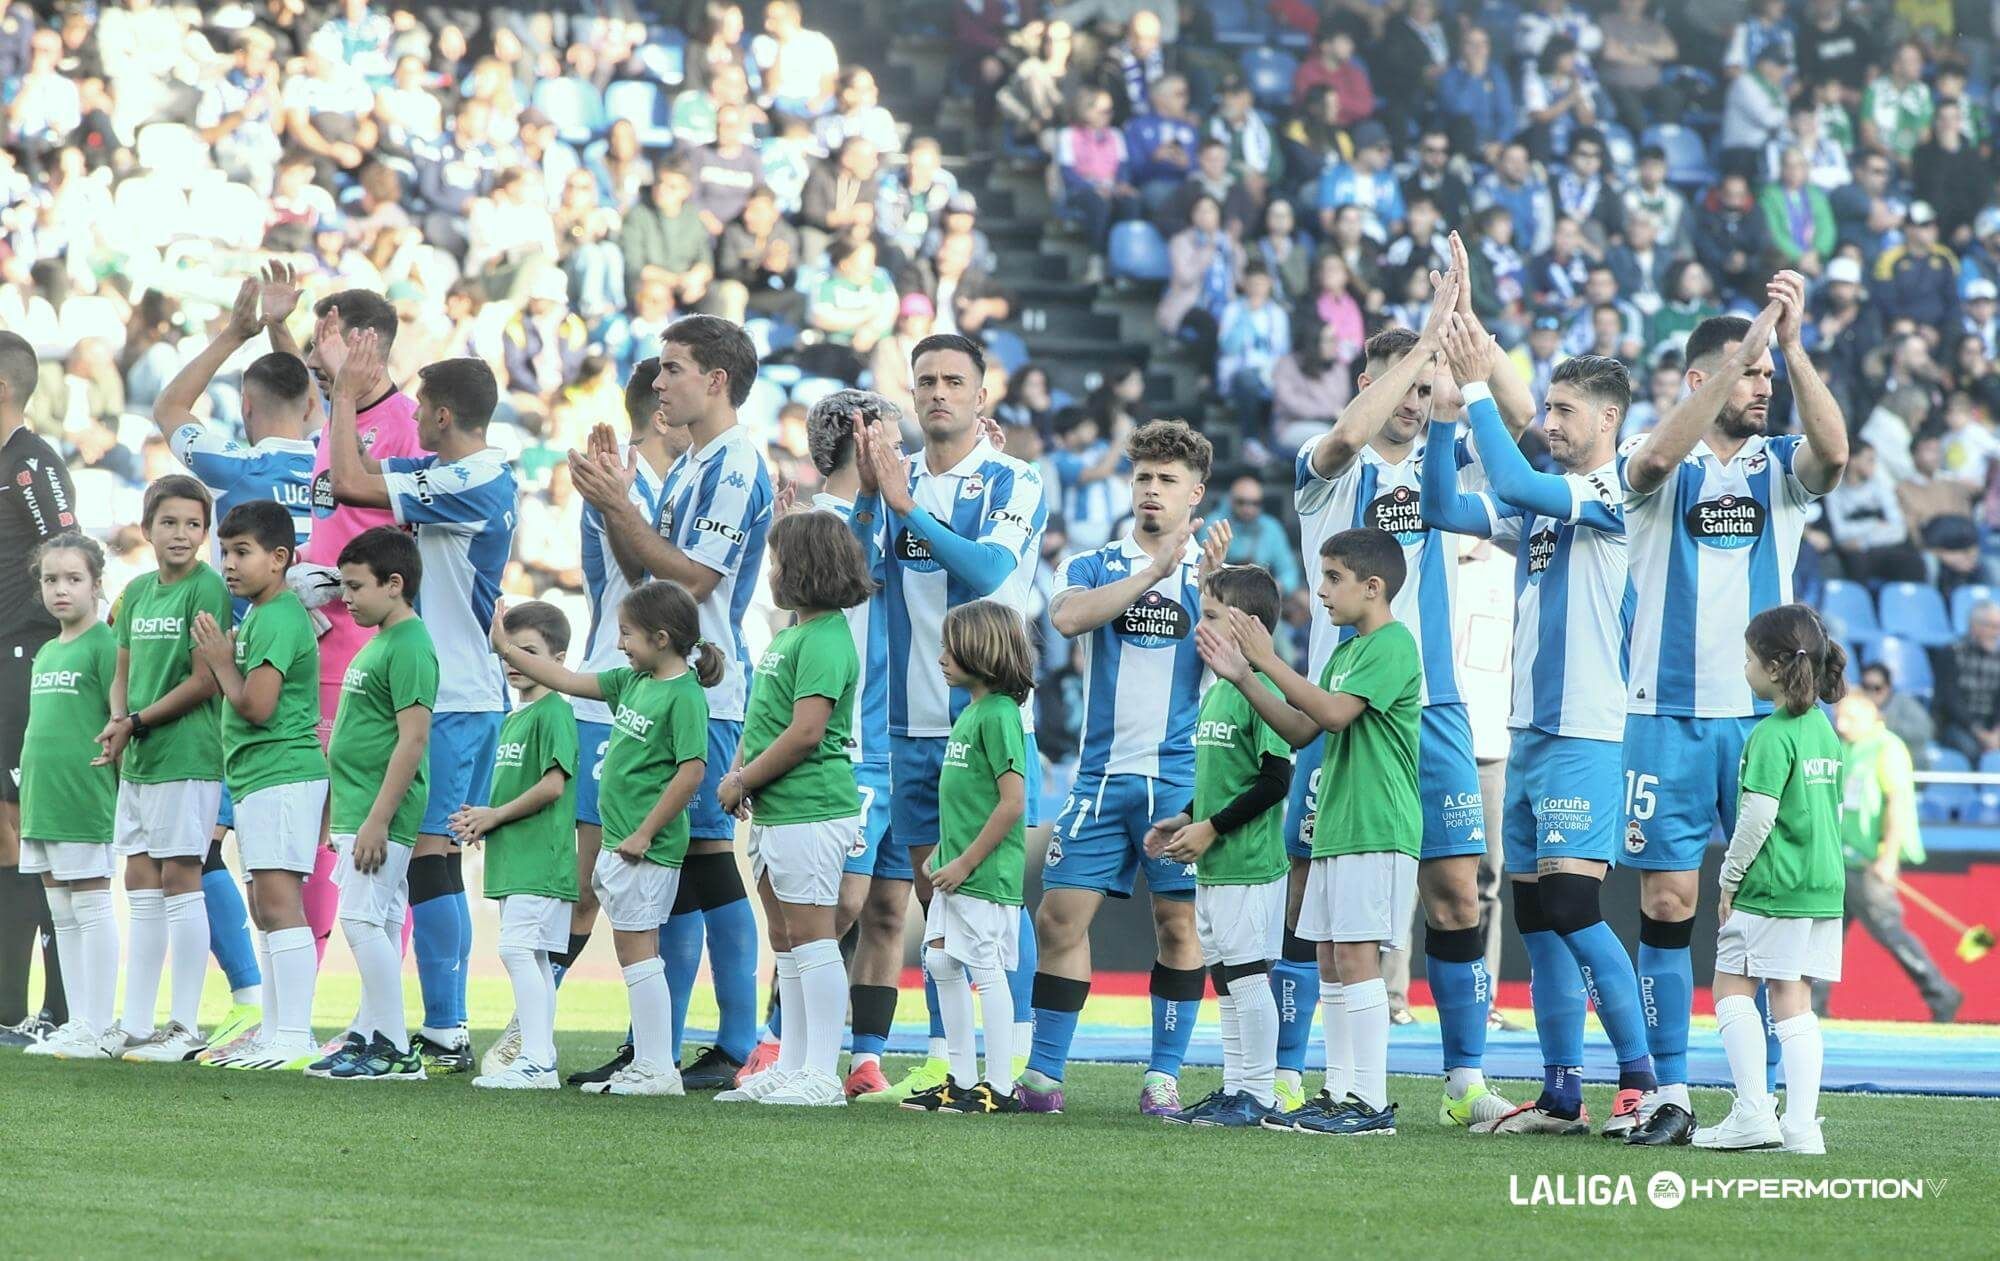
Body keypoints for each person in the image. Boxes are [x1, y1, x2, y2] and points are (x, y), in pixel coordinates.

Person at [1279, 243, 1532, 1119]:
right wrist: (1425, 340)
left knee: (1457, 889)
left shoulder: (1448, 469)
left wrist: (1468, 344)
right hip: (1338, 710)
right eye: (1406, 382)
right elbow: (1351, 431)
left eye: (1426, 386)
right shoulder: (1327, 466)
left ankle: (1464, 1079)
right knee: (1311, 890)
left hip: (1437, 710)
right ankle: (1288, 1069)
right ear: (1369, 380)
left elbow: (1531, 429)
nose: (1418, 400)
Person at [1620, 277, 1848, 1147]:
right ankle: (1671, 1092)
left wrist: (1788, 345)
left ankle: (1782, 1112)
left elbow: (1835, 455)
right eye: (1746, 375)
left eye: (1765, 379)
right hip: (1665, 715)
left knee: (1771, 924)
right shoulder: (1654, 454)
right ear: (1700, 380)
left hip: (1764, 728)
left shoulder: (1776, 468)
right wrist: (1740, 349)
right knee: (1671, 902)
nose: (1762, 388)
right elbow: (1646, 468)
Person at [1419, 341, 1661, 1135]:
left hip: (1587, 728)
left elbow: (1516, 479)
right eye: (1547, 406)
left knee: (1572, 902)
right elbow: (1445, 509)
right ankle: (1562, 1094)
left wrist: (1481, 386)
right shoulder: (1548, 502)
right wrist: (1438, 423)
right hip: (1528, 729)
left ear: (1608, 419)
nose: (1549, 421)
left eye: (1563, 410)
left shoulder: (1611, 485)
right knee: (1535, 919)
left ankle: (1641, 1082)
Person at [565, 315, 773, 1089]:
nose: (658, 382)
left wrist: (620, 505)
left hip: (709, 696)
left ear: (715, 380)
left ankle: (736, 1042)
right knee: (682, 865)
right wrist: (617, 503)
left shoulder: (735, 464)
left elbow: (690, 584)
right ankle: (657, 1040)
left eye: (673, 367)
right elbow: (646, 577)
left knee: (711, 861)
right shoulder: (692, 464)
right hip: (671, 687)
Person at [843, 333, 1047, 1103]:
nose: (936, 392)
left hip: (987, 719)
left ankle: (1014, 1061)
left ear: (980, 395)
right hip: (907, 721)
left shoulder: (1012, 479)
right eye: (925, 379)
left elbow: (992, 572)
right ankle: (947, 1059)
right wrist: (872, 496)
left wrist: (905, 508)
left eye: (953, 380)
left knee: (992, 901)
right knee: (939, 900)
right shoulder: (898, 480)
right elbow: (857, 575)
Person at [326, 332, 519, 1074]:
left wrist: (347, 394)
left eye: (420, 404)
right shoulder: (451, 469)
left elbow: (349, 479)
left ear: (441, 414)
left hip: (458, 694)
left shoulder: (479, 478)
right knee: (432, 862)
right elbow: (361, 467)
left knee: (431, 859)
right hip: (462, 691)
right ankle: (432, 1022)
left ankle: (442, 1026)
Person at [1025, 418, 1215, 1116]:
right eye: (1143, 478)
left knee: (1178, 925)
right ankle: (1044, 1075)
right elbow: (1070, 621)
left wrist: (1203, 586)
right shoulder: (1094, 562)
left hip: (1179, 780)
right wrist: (1152, 574)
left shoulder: (1212, 573)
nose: (1152, 491)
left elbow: (1236, 654)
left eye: (1167, 480)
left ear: (1195, 492)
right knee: (1058, 917)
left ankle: (1163, 1075)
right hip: (1101, 779)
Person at [491, 581, 722, 1096]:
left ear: (661, 638)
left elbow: (691, 772)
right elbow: (567, 679)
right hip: (624, 842)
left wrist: (644, 832)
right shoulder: (633, 681)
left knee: (640, 953)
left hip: (644, 846)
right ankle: (650, 1063)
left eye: (627, 634)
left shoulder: (683, 695)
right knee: (635, 952)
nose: (620, 644)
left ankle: (657, 1068)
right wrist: (506, 649)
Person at [1227, 527, 1418, 1137]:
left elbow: (1333, 714)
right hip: (1339, 824)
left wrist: (1267, 659)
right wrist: (1244, 678)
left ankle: (1369, 1101)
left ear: (1373, 585)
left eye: (1333, 578)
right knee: (1333, 960)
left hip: (1377, 823)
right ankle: (1338, 1092)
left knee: (1356, 956)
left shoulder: (1393, 644)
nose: (1323, 590)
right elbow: (1302, 729)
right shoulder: (1343, 651)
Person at [711, 511, 870, 1108]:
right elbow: (768, 721)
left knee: (812, 937)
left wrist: (741, 778)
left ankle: (820, 1074)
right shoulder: (792, 635)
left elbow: (806, 732)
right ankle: (794, 1063)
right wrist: (744, 775)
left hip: (811, 806)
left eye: (779, 560)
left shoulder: (828, 638)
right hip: (778, 808)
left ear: (804, 568)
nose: (772, 571)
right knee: (786, 938)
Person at [295, 288, 422, 965]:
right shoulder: (331, 419)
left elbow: (398, 543)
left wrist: (343, 583)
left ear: (367, 344)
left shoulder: (406, 424)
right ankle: (298, 996)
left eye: (328, 342)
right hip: (316, 646)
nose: (317, 357)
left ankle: (386, 1006)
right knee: (313, 820)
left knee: (367, 825)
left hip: (369, 653)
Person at [1693, 605, 1846, 1156]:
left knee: (1732, 985)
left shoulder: (1770, 734)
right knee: (1794, 999)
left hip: (1773, 886)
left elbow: (1756, 817)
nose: (1746, 668)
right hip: (1822, 886)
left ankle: (1754, 1112)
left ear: (1777, 668)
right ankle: (1803, 1127)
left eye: (1750, 659)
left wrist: (1729, 878)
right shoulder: (1824, 731)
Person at [1151, 564, 1295, 1126]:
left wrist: (1212, 828)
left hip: (1250, 864)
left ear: (1246, 624)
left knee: (1248, 976)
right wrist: (1185, 818)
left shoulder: (1264, 689)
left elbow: (1274, 780)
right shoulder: (1217, 691)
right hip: (1216, 863)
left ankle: (1258, 1093)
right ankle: (1237, 1087)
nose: (1198, 628)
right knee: (1227, 979)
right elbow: (1221, 782)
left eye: (1210, 616)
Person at [96, 475, 231, 1064]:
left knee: (182, 876)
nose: (181, 534)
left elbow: (205, 681)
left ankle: (184, 1024)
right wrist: (118, 721)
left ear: (206, 532)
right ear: (147, 527)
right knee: (139, 880)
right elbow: (121, 669)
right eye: (169, 522)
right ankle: (136, 1021)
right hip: (142, 758)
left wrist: (137, 722)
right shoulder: (139, 592)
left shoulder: (207, 590)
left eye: (193, 524)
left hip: (187, 755)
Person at [194, 500, 330, 1072]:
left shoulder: (276, 616)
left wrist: (222, 663)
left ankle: (294, 1036)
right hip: (260, 776)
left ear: (280, 559)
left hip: (282, 773)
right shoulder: (262, 615)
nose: (229, 563)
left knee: (278, 902)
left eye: (242, 552)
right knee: (264, 906)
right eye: (225, 551)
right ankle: (275, 1031)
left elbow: (256, 705)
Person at [897, 601, 1035, 1115]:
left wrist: (965, 862)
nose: (942, 656)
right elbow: (968, 799)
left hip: (981, 876)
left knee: (985, 968)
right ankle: (961, 1079)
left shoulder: (999, 715)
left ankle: (998, 1087)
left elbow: (1012, 803)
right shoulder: (971, 713)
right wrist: (941, 853)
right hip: (956, 871)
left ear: (983, 650)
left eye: (950, 646)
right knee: (937, 960)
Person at [307, 526, 434, 1082]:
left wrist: (379, 820)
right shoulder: (381, 640)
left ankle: (393, 1046)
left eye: (356, 587)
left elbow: (413, 738)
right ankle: (368, 1035)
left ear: (395, 584)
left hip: (380, 817)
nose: (347, 597)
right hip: (358, 809)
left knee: (360, 920)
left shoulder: (410, 645)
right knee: (375, 920)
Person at [453, 601, 581, 1090]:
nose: (515, 661)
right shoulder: (517, 717)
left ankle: (537, 1059)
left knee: (517, 952)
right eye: (508, 651)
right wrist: (483, 822)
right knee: (534, 958)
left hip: (539, 861)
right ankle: (539, 1058)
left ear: (559, 658)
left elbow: (553, 786)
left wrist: (494, 816)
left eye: (528, 651)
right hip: (517, 860)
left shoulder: (553, 712)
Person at [0, 329, 78, 1046]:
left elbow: (70, 549)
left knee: (29, 834)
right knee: (6, 836)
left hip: (24, 660)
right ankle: (9, 1007)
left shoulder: (31, 463)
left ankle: (56, 1008)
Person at [16, 535, 119, 1059]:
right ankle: (80, 1021)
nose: (61, 589)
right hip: (43, 796)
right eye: (51, 580)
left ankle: (100, 1025)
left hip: (85, 794)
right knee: (61, 910)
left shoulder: (105, 645)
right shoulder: (48, 651)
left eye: (73, 579)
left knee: (93, 904)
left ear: (96, 585)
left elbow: (118, 720)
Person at [1830, 693, 1961, 1023]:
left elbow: (1898, 804)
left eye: (1850, 718)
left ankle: (1941, 992)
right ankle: (1813, 1004)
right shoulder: (1847, 746)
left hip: (1867, 861)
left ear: (1872, 715)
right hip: (1840, 859)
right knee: (1825, 933)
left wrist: (1888, 856)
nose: (1841, 725)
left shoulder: (1887, 747)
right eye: (1839, 718)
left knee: (1890, 930)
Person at [1935, 602, 2000, 764]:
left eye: (1998, 627)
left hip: (1992, 726)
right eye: (1991, 627)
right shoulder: (1951, 653)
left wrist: (1996, 734)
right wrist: (1981, 734)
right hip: (1957, 725)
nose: (1996, 633)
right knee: (1970, 749)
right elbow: (1952, 701)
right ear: (1974, 626)